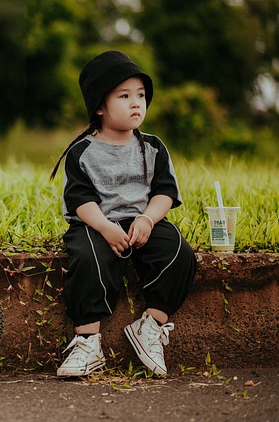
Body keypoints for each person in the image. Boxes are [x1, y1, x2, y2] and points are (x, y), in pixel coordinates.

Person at [49, 50, 196, 377]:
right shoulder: (83, 151)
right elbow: (80, 199)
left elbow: (164, 193)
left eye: (141, 96)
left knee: (178, 252)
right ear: (100, 106)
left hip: (142, 220)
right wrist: (105, 227)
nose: (136, 103)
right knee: (88, 259)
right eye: (125, 96)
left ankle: (151, 325)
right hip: (95, 222)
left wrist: (147, 218)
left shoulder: (153, 147)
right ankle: (87, 341)